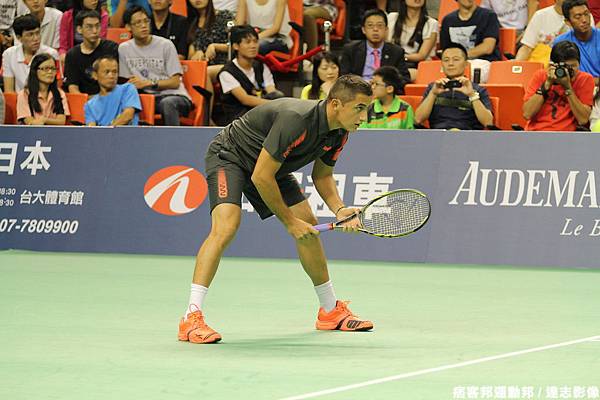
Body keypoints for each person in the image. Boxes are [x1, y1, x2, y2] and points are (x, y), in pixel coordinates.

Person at [178, 74, 375, 344]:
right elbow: (260, 177)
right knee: (226, 227)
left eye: (368, 108)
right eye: (360, 108)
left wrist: (340, 209)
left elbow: (323, 175)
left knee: (310, 227)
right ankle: (191, 316)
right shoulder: (297, 120)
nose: (364, 116)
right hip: (230, 156)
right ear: (336, 104)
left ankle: (329, 311)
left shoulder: (340, 131)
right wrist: (290, 223)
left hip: (271, 166)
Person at [118, 6, 192, 126]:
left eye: (146, 21)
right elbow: (126, 82)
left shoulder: (165, 45)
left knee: (167, 103)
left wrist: (149, 83)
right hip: (144, 98)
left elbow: (175, 82)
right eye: (138, 23)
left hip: (174, 96)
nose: (143, 25)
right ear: (128, 27)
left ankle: (174, 141)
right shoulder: (124, 49)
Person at [415, 44, 494, 130]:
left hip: (468, 137)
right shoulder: (433, 88)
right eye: (446, 60)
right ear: (441, 65)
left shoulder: (478, 90)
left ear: (466, 64)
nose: (450, 64)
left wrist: (472, 95)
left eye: (456, 59)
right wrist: (433, 94)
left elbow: (488, 122)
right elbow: (418, 119)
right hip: (438, 136)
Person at [216, 24, 282, 125]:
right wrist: (275, 105)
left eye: (255, 41)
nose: (253, 46)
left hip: (261, 112)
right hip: (238, 119)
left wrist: (279, 103)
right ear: (236, 46)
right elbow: (245, 99)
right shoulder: (227, 72)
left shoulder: (261, 66)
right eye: (248, 42)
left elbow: (271, 91)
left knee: (278, 95)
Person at [523, 40, 594, 131]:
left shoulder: (585, 79)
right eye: (565, 66)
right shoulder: (540, 76)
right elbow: (527, 114)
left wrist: (567, 88)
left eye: (573, 66)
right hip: (537, 133)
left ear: (579, 64)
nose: (569, 70)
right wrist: (547, 84)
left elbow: (583, 119)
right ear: (553, 65)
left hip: (568, 137)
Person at [340, 8, 411, 85]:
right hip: (358, 91)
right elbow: (344, 77)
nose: (375, 29)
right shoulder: (351, 50)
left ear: (386, 29)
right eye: (370, 25)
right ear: (363, 30)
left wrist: (385, 85)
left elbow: (405, 78)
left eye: (380, 25)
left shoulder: (396, 52)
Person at [439, 0, 502, 83]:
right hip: (454, 61)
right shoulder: (448, 20)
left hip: (482, 61)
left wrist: (461, 57)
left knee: (466, 72)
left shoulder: (488, 16)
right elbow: (445, 50)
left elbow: (488, 47)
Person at [64, 10, 118, 95]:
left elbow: (115, 81)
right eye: (89, 27)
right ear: (79, 29)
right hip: (85, 103)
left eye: (97, 26)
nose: (95, 31)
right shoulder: (72, 55)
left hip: (109, 97)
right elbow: (73, 87)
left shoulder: (111, 48)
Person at [516, 0, 583, 66]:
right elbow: (527, 47)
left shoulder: (583, 16)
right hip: (542, 67)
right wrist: (515, 65)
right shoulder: (540, 15)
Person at [3, 14, 59, 92]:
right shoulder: (9, 54)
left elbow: (56, 88)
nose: (36, 38)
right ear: (19, 38)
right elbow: (9, 91)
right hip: (19, 102)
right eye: (30, 35)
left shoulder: (51, 54)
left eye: (37, 33)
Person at [388, 0, 438, 82]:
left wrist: (401, 58)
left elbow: (421, 55)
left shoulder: (431, 23)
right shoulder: (392, 18)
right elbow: (387, 45)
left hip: (416, 66)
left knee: (397, 76)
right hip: (393, 64)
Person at [85, 56, 141, 125]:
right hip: (102, 135)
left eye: (114, 72)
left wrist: (108, 132)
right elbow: (91, 129)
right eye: (107, 72)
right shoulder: (89, 105)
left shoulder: (128, 88)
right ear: (95, 75)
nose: (111, 76)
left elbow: (127, 116)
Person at [16, 52, 69, 125]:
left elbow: (61, 121)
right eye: (46, 68)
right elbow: (29, 121)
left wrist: (44, 120)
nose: (50, 72)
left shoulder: (60, 93)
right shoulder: (24, 94)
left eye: (53, 68)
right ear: (35, 71)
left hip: (54, 133)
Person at [553, 0, 600, 81]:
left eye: (586, 14)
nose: (584, 20)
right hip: (573, 88)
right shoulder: (561, 42)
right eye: (578, 17)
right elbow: (557, 74)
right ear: (568, 22)